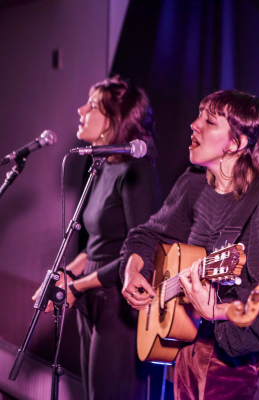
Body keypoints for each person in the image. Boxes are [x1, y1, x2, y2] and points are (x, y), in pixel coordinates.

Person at [120, 90, 259, 400]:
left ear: (236, 143)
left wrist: (217, 310)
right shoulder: (192, 184)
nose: (193, 125)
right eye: (199, 116)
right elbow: (147, 235)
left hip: (233, 367)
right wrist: (133, 270)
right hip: (184, 350)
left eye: (209, 121)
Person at [33, 76, 161, 399]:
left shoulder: (137, 169)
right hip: (91, 297)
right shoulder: (100, 166)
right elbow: (96, 247)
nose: (81, 109)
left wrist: (78, 285)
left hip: (118, 304)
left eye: (92, 105)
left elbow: (141, 251)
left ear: (113, 121)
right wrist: (65, 276)